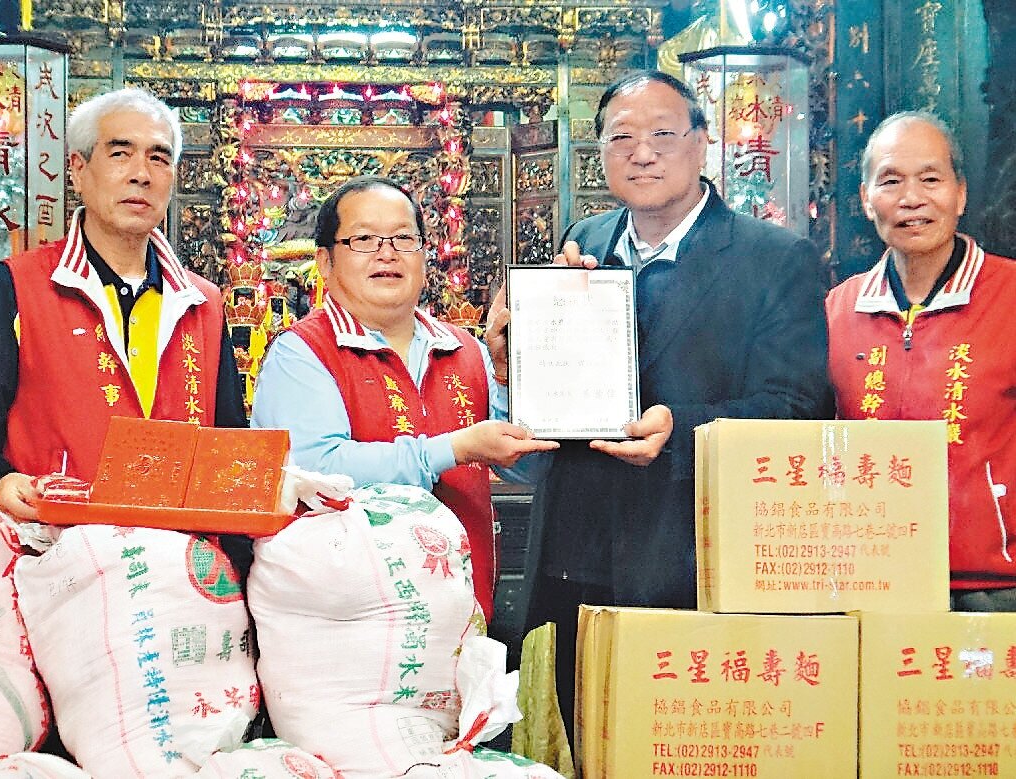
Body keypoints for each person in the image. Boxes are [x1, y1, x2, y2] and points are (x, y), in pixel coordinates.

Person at [484, 70, 831, 728]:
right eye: (621, 138)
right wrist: (513, 362)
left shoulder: (773, 258)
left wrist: (679, 428)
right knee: (575, 736)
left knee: (676, 743)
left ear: (702, 143)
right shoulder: (584, 243)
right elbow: (557, 387)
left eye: (662, 135)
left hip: (689, 554)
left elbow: (798, 409)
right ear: (600, 152)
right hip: (574, 547)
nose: (641, 153)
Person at [249, 175, 558, 621]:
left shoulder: (465, 350)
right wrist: (454, 449)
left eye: (403, 239)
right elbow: (314, 467)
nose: (387, 253)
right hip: (344, 621)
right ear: (325, 261)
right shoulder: (301, 352)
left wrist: (509, 378)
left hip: (462, 613)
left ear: (424, 255)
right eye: (364, 239)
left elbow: (528, 468)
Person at [0, 86, 246, 515]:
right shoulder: (16, 287)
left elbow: (230, 443)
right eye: (120, 153)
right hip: (50, 540)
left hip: (179, 546)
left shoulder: (203, 304)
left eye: (159, 158)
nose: (141, 174)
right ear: (78, 170)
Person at [826, 111, 1016, 611]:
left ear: (961, 194)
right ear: (866, 199)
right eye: (891, 181)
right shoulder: (838, 309)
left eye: (930, 179)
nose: (911, 199)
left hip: (995, 585)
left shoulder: (1010, 294)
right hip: (872, 582)